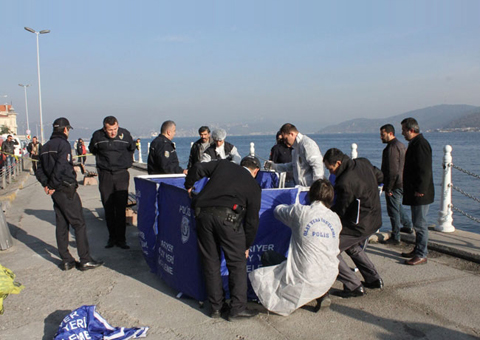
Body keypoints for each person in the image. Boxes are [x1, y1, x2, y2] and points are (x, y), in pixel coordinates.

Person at [184, 156, 262, 321]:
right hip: (228, 219)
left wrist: (188, 186)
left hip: (202, 214)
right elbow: (252, 221)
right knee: (237, 263)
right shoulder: (253, 186)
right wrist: (246, 246)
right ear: (256, 171)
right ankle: (237, 308)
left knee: (211, 262)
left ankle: (216, 308)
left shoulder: (224, 165)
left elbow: (197, 167)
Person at [249, 179, 342, 316]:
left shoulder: (301, 212)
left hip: (305, 275)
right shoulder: (335, 219)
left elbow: (277, 211)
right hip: (330, 275)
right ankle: (322, 294)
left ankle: (279, 294)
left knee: (268, 256)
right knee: (316, 262)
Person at [35, 117, 103, 271]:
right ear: (65, 129)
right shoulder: (63, 145)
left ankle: (66, 259)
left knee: (61, 224)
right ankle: (84, 259)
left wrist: (46, 184)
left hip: (55, 191)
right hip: (65, 188)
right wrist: (51, 184)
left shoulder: (44, 146)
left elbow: (38, 169)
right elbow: (61, 166)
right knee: (79, 223)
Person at [323, 148, 384, 298]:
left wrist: (324, 217)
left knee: (329, 250)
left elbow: (340, 211)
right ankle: (373, 279)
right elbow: (380, 175)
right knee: (351, 245)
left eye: (330, 169)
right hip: (374, 217)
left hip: (359, 224)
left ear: (338, 163)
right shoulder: (363, 163)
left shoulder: (345, 182)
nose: (330, 173)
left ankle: (353, 286)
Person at [89, 116, 136, 249]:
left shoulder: (125, 134)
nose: (113, 132)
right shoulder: (97, 136)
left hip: (121, 173)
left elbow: (132, 148)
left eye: (115, 129)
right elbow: (93, 150)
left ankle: (121, 239)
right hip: (105, 175)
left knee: (121, 207)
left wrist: (125, 161)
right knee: (108, 207)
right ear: (105, 128)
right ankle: (112, 237)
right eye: (110, 130)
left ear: (118, 126)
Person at [401, 117, 435, 266]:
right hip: (416, 190)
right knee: (417, 222)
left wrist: (421, 189)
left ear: (411, 130)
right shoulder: (415, 143)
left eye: (404, 130)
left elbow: (424, 169)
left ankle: (422, 254)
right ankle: (417, 250)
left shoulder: (420, 144)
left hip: (421, 192)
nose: (402, 133)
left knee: (420, 224)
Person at [380, 124, 413, 245]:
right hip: (402, 181)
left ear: (390, 133)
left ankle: (396, 236)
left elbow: (392, 170)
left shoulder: (392, 149)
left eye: (382, 135)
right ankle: (408, 225)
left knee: (392, 209)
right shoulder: (401, 145)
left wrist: (388, 187)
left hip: (394, 183)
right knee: (397, 205)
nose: (381, 137)